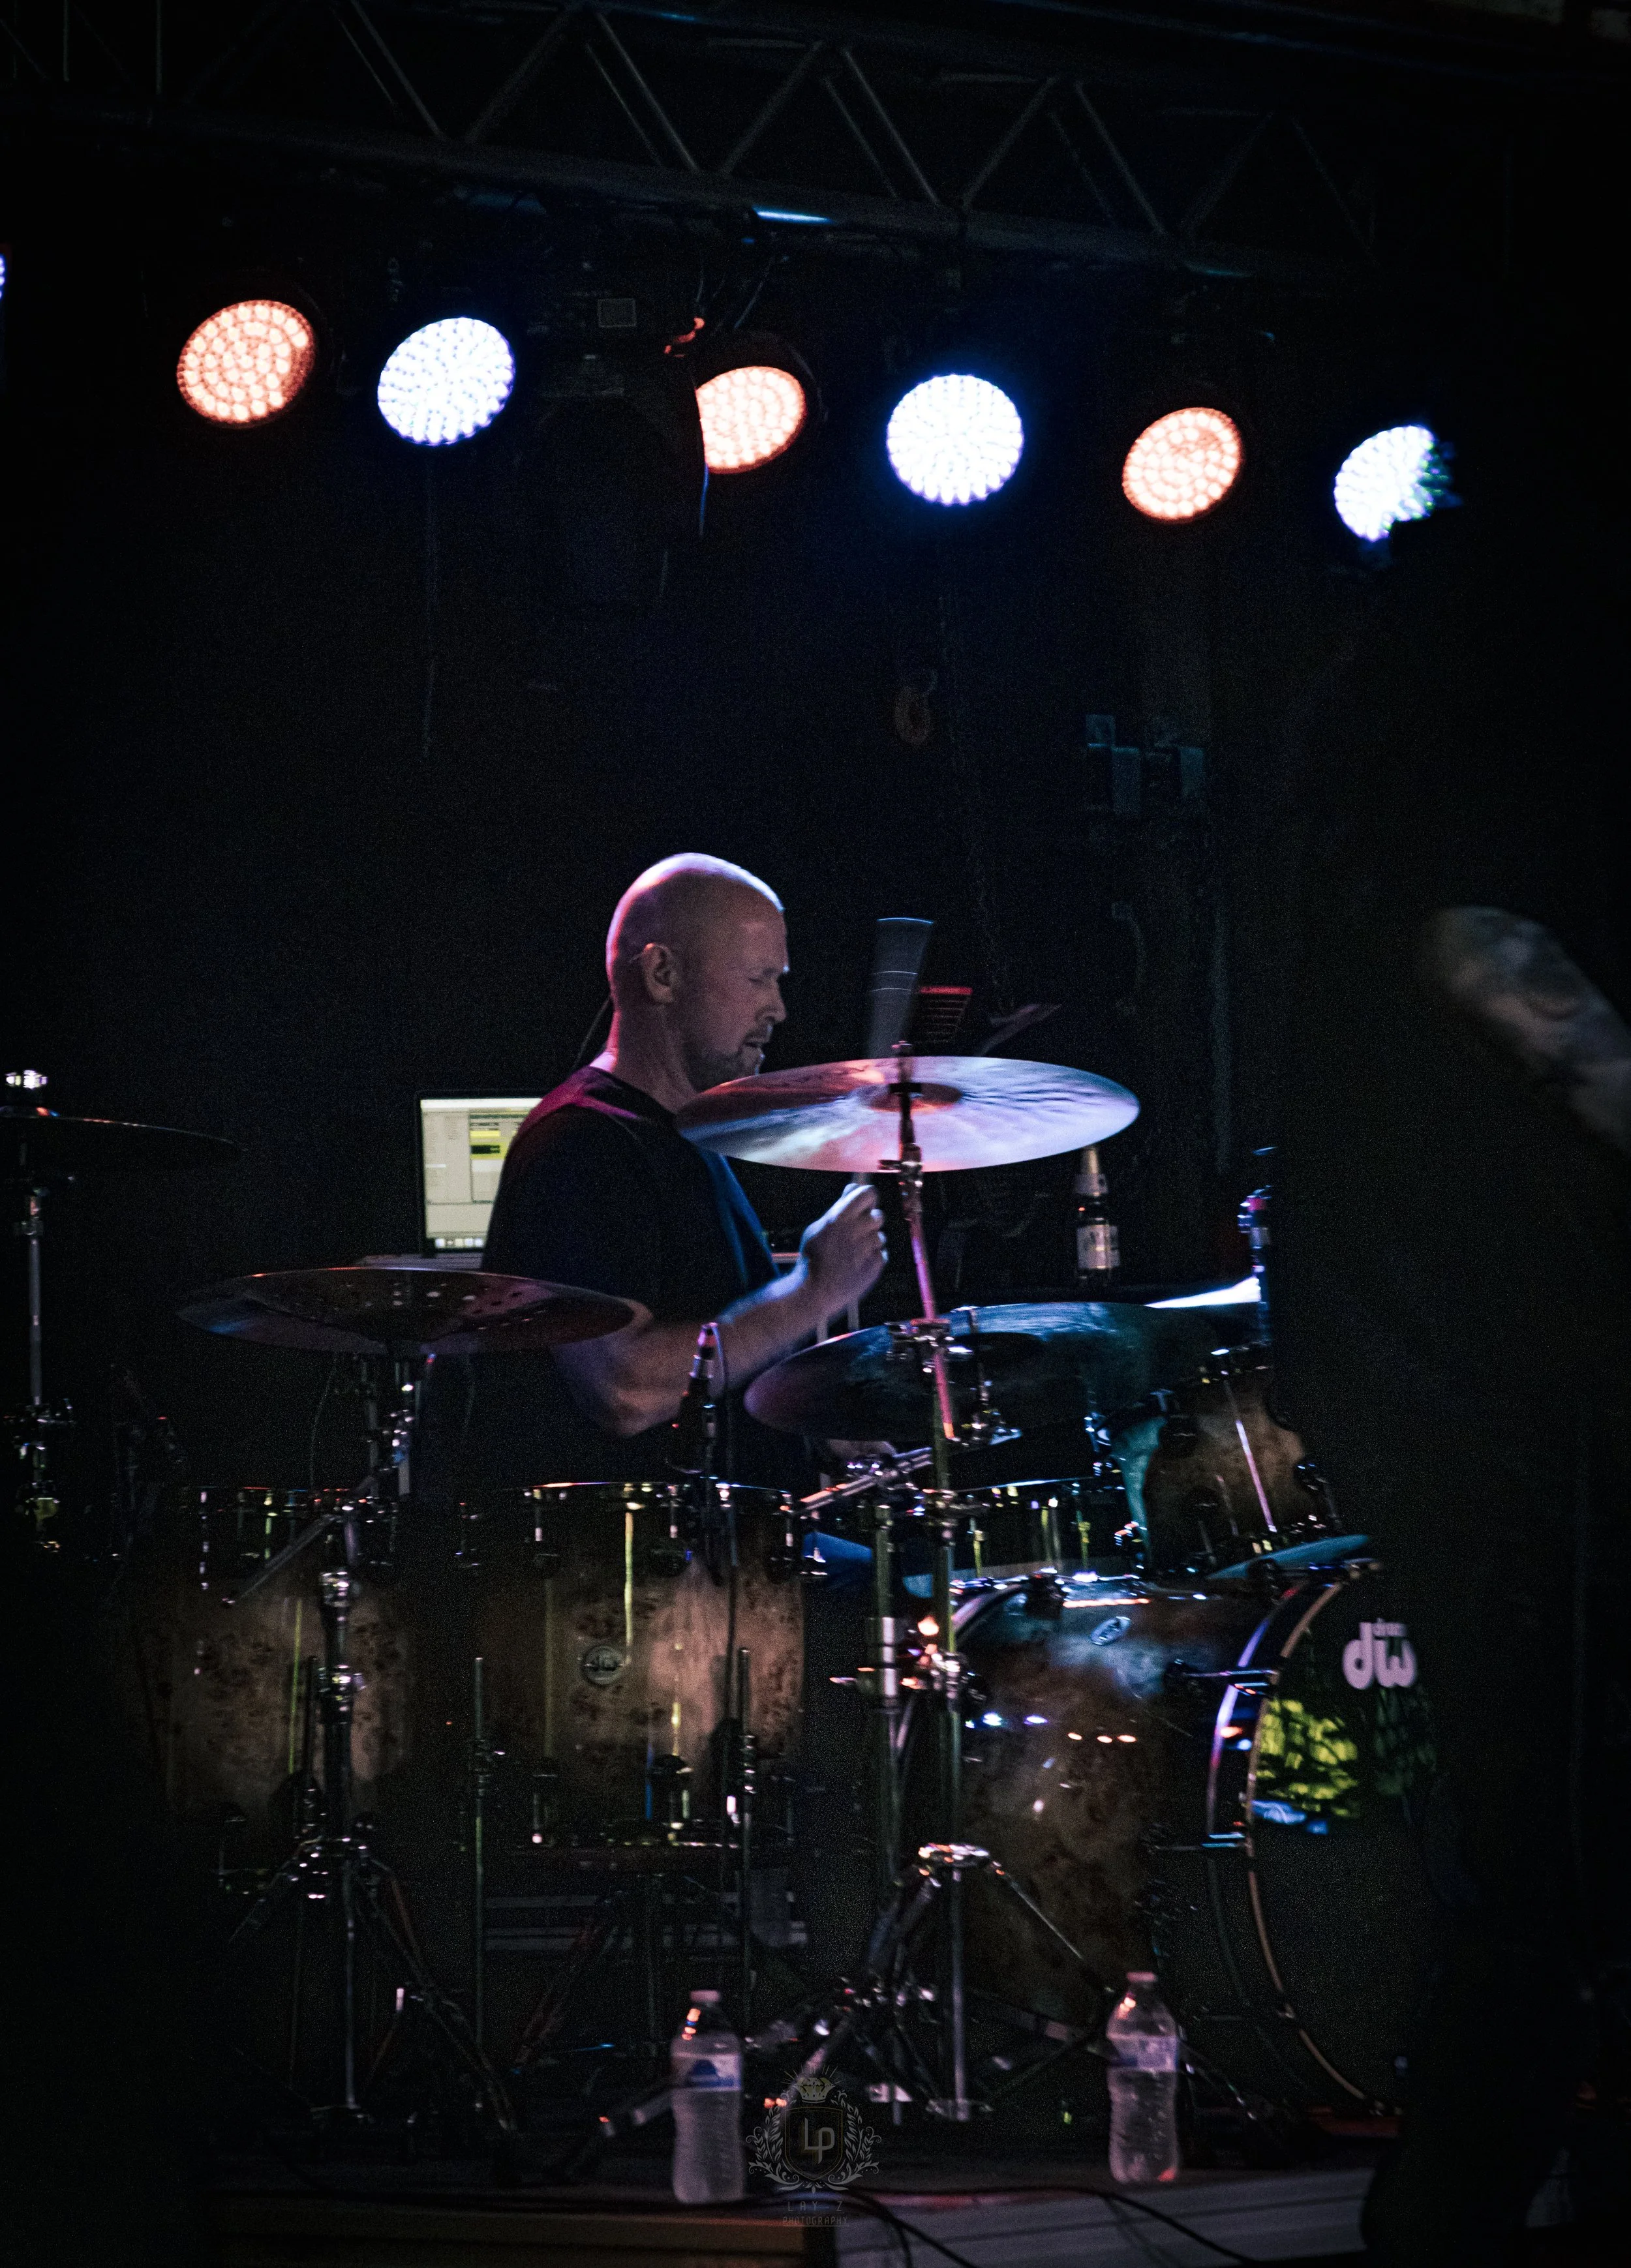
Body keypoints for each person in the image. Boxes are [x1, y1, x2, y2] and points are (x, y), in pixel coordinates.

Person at [1273, 480, 1631, 2265]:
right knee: (1541, 1894)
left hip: (1463, 1390)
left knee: (1535, 1901)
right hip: (1513, 1407)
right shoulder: (1461, 820)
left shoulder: (1380, 781)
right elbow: (1514, 985)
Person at [428, 854, 887, 1492]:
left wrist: (809, 1416)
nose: (779, 1009)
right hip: (631, 1578)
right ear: (663, 973)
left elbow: (708, 1365)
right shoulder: (582, 1142)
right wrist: (810, 1291)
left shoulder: (689, 1138)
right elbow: (625, 1389)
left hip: (729, 1556)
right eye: (758, 979)